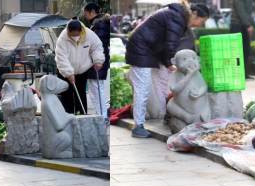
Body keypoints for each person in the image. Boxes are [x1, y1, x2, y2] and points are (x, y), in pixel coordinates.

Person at [125, 1, 209, 138]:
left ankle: (141, 123)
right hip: (141, 50)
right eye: (202, 20)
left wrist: (167, 63)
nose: (201, 24)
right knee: (143, 88)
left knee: (148, 88)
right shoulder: (177, 18)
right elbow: (170, 45)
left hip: (145, 50)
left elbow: (166, 44)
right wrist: (169, 62)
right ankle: (138, 126)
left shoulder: (176, 15)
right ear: (194, 14)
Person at [55, 19, 106, 114]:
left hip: (82, 69)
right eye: (72, 35)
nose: (75, 37)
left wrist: (98, 60)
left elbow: (97, 47)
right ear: (68, 31)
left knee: (81, 93)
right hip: (64, 72)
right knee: (67, 94)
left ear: (80, 30)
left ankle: (82, 115)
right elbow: (61, 57)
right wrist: (68, 73)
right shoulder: (62, 39)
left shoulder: (89, 34)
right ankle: (68, 116)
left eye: (77, 34)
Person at [84, 2, 111, 123]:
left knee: (97, 89)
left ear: (91, 12)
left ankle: (103, 116)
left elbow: (96, 43)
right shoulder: (98, 23)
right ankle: (101, 115)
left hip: (97, 61)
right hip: (95, 61)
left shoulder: (99, 23)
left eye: (85, 13)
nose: (84, 16)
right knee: (94, 89)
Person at [230, 0, 255, 79]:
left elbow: (248, 14)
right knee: (237, 51)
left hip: (244, 26)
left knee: (246, 51)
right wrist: (248, 25)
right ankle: (237, 74)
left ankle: (244, 74)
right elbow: (241, 12)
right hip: (237, 26)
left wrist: (254, 24)